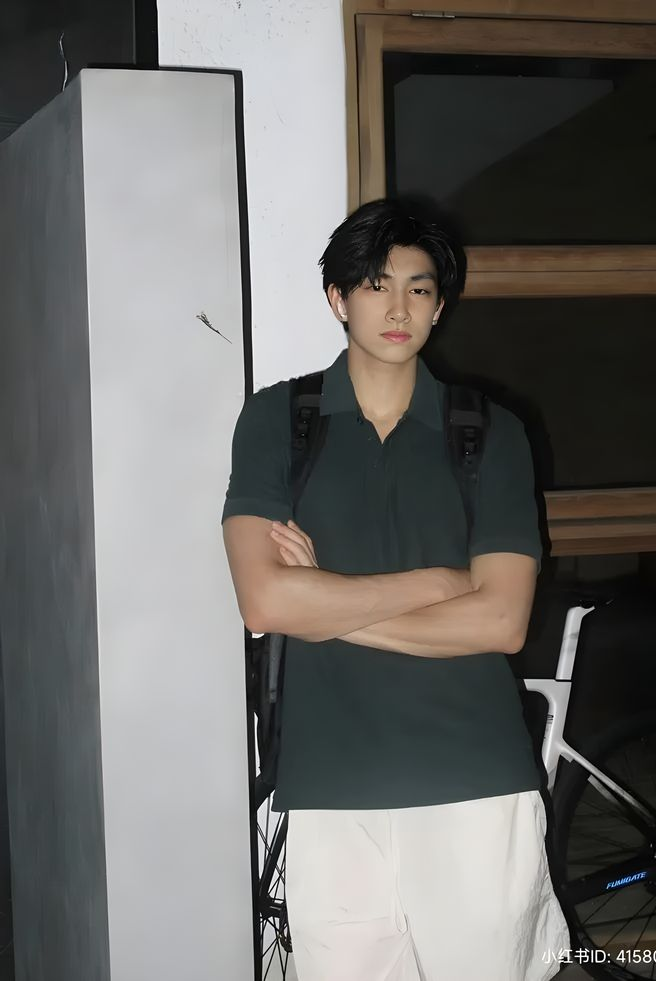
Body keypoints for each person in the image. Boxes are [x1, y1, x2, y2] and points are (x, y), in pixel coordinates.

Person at [222, 197, 570, 980]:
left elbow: (502, 621)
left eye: (419, 288)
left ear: (440, 305)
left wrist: (323, 602)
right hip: (330, 778)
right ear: (338, 298)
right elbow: (265, 603)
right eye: (376, 286)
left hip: (474, 775)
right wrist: (436, 584)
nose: (399, 308)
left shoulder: (488, 431)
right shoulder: (279, 421)